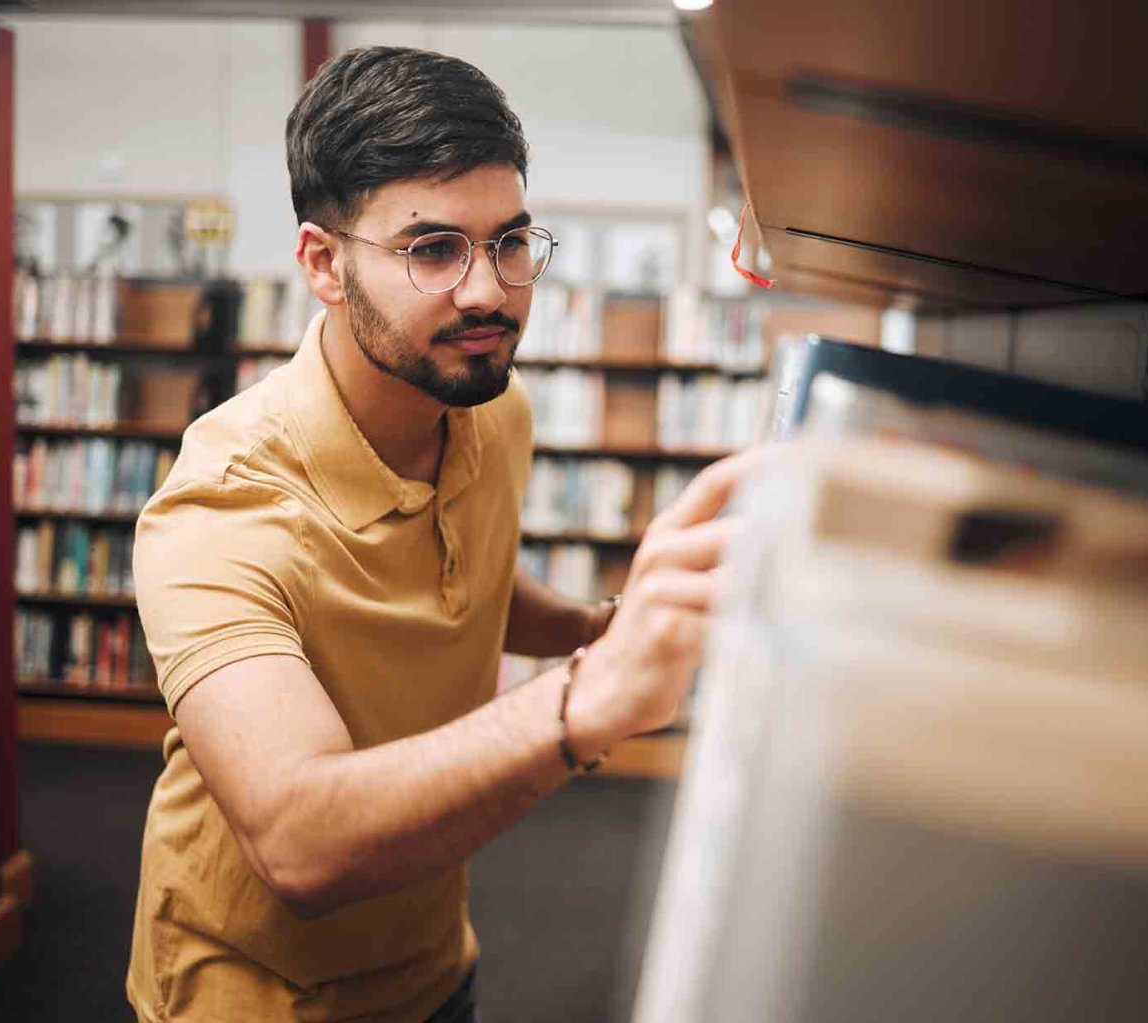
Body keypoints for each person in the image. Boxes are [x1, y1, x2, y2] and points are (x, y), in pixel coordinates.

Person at [126, 45, 752, 1023]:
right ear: (322, 264)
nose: (489, 294)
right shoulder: (219, 509)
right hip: (257, 994)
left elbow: (476, 585)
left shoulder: (490, 407)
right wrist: (589, 700)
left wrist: (609, 626)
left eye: (509, 242)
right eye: (432, 249)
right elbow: (297, 838)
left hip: (435, 953)